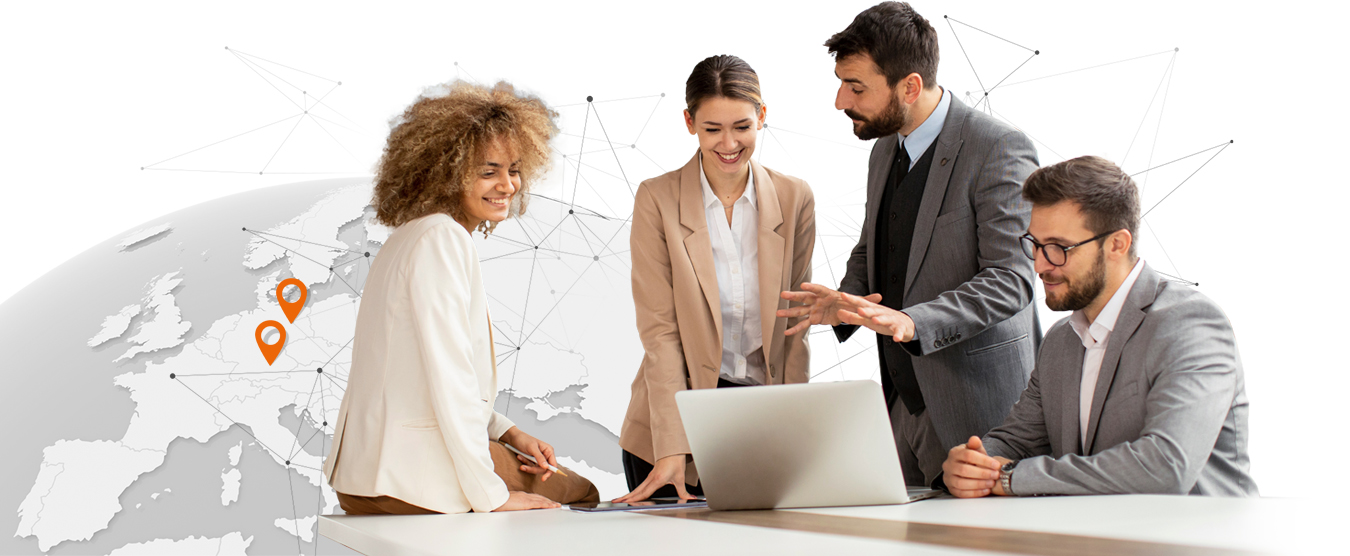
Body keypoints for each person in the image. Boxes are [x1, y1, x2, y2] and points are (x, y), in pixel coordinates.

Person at [778, 1, 1039, 487]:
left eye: (856, 87)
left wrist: (912, 321)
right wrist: (844, 299)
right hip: (900, 405)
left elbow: (1012, 280)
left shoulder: (998, 147)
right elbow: (874, 243)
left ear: (910, 86)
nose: (840, 101)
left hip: (980, 413)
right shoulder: (884, 148)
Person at [322, 80, 600, 514]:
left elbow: (418, 375)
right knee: (580, 491)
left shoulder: (408, 238)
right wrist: (493, 496)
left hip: (363, 478)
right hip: (412, 480)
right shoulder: (443, 239)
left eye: (514, 169)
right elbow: (450, 378)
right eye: (488, 171)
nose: (507, 185)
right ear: (446, 172)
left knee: (549, 476)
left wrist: (509, 433)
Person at [941, 156, 1258, 497]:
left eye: (1059, 248)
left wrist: (1011, 478)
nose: (1040, 265)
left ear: (1117, 245)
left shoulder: (1191, 324)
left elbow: (1166, 467)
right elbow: (1016, 439)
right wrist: (973, 464)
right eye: (1034, 244)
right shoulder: (1061, 340)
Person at [616, 55, 816, 502]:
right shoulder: (657, 199)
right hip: (674, 426)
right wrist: (672, 446)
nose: (729, 143)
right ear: (689, 122)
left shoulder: (794, 196)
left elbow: (795, 325)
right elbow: (660, 332)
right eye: (712, 130)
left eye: (742, 127)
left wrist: (796, 432)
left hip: (760, 422)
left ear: (762, 116)